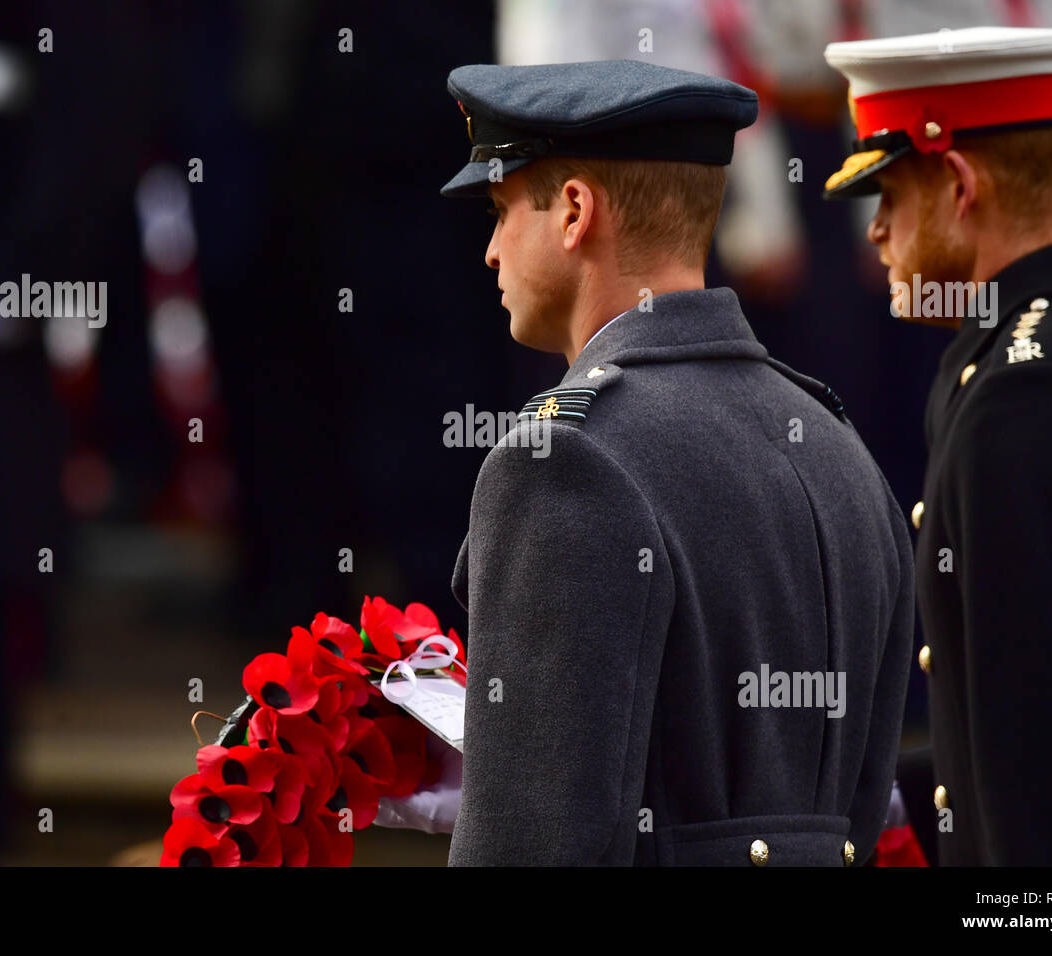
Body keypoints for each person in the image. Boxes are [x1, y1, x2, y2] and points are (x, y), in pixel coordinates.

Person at [388, 58, 914, 866]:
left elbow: (533, 845)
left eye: (499, 213)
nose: (491, 252)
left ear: (573, 212)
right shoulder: (838, 443)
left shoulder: (563, 461)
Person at [824, 26, 1052, 865]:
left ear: (960, 186)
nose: (877, 234)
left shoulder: (1022, 401)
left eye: (889, 196)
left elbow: (1048, 778)